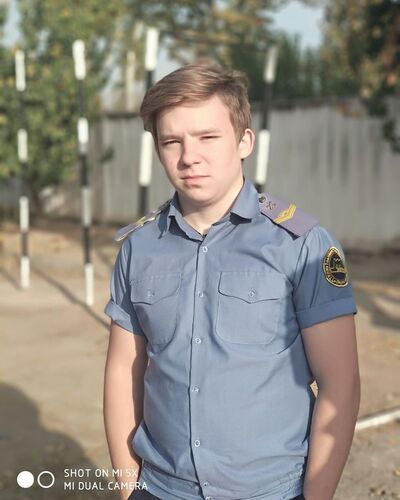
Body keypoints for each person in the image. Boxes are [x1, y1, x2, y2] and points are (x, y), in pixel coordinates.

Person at [103, 63, 360, 500]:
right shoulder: (139, 247)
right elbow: (122, 372)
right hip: (162, 488)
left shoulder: (302, 244)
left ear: (244, 142)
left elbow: (341, 383)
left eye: (207, 137)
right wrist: (129, 490)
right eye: (171, 141)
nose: (189, 157)